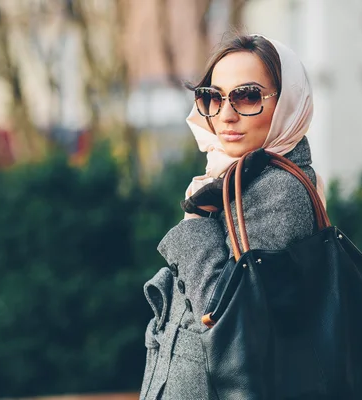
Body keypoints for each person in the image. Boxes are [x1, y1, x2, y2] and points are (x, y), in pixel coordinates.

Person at [140, 33, 325, 400]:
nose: (226, 114)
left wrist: (194, 225)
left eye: (248, 96)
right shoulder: (229, 181)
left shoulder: (280, 190)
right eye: (213, 97)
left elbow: (224, 316)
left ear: (287, 103)